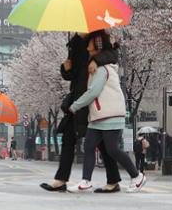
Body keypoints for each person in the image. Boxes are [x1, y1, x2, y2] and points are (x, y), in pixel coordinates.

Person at [40, 33, 122, 193]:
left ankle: (113, 180)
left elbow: (113, 54)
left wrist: (96, 60)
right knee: (68, 138)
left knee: (103, 142)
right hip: (77, 97)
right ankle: (61, 179)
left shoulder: (99, 37)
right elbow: (72, 75)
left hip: (93, 98)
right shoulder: (75, 43)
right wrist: (65, 68)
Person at [67, 30, 146, 193]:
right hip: (98, 116)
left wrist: (75, 105)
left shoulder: (102, 69)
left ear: (97, 46)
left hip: (109, 116)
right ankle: (85, 181)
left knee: (112, 149)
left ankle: (137, 176)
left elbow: (93, 92)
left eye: (89, 45)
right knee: (89, 146)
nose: (87, 48)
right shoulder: (97, 66)